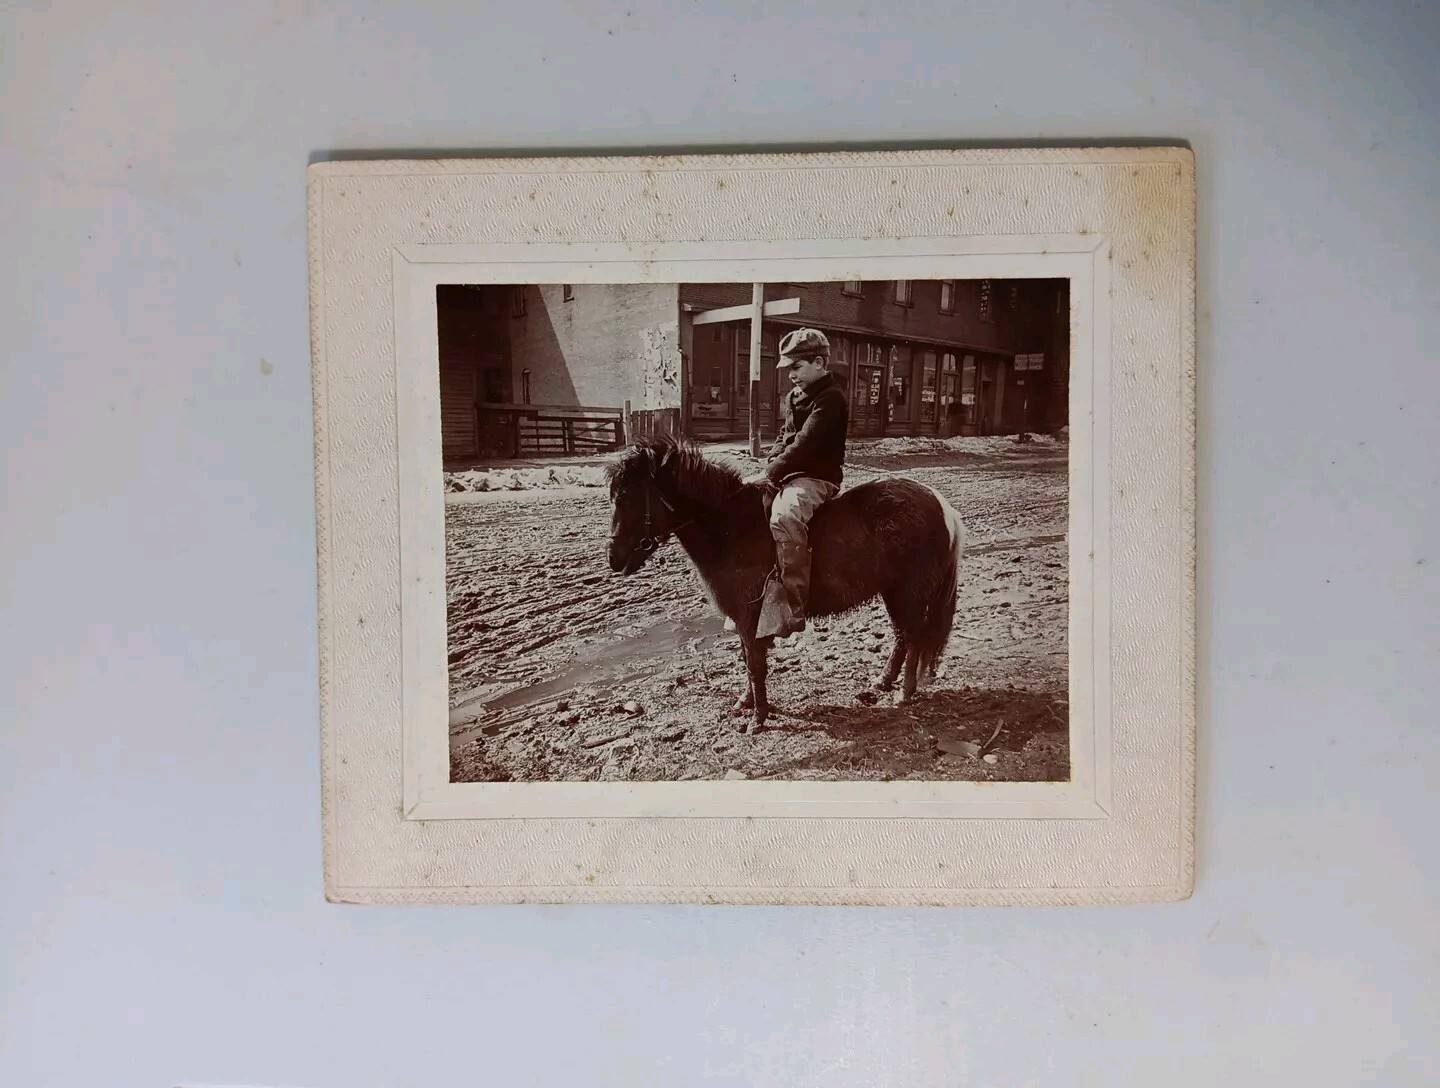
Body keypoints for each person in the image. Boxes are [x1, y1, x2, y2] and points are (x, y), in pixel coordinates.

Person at [743, 327, 850, 638]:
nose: (790, 375)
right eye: (788, 368)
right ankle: (760, 587)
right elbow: (787, 435)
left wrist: (772, 472)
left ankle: (793, 603)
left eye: (796, 367)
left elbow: (806, 442)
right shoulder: (794, 396)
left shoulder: (831, 398)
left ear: (819, 363)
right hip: (790, 472)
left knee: (785, 516)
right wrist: (772, 458)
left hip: (817, 477)